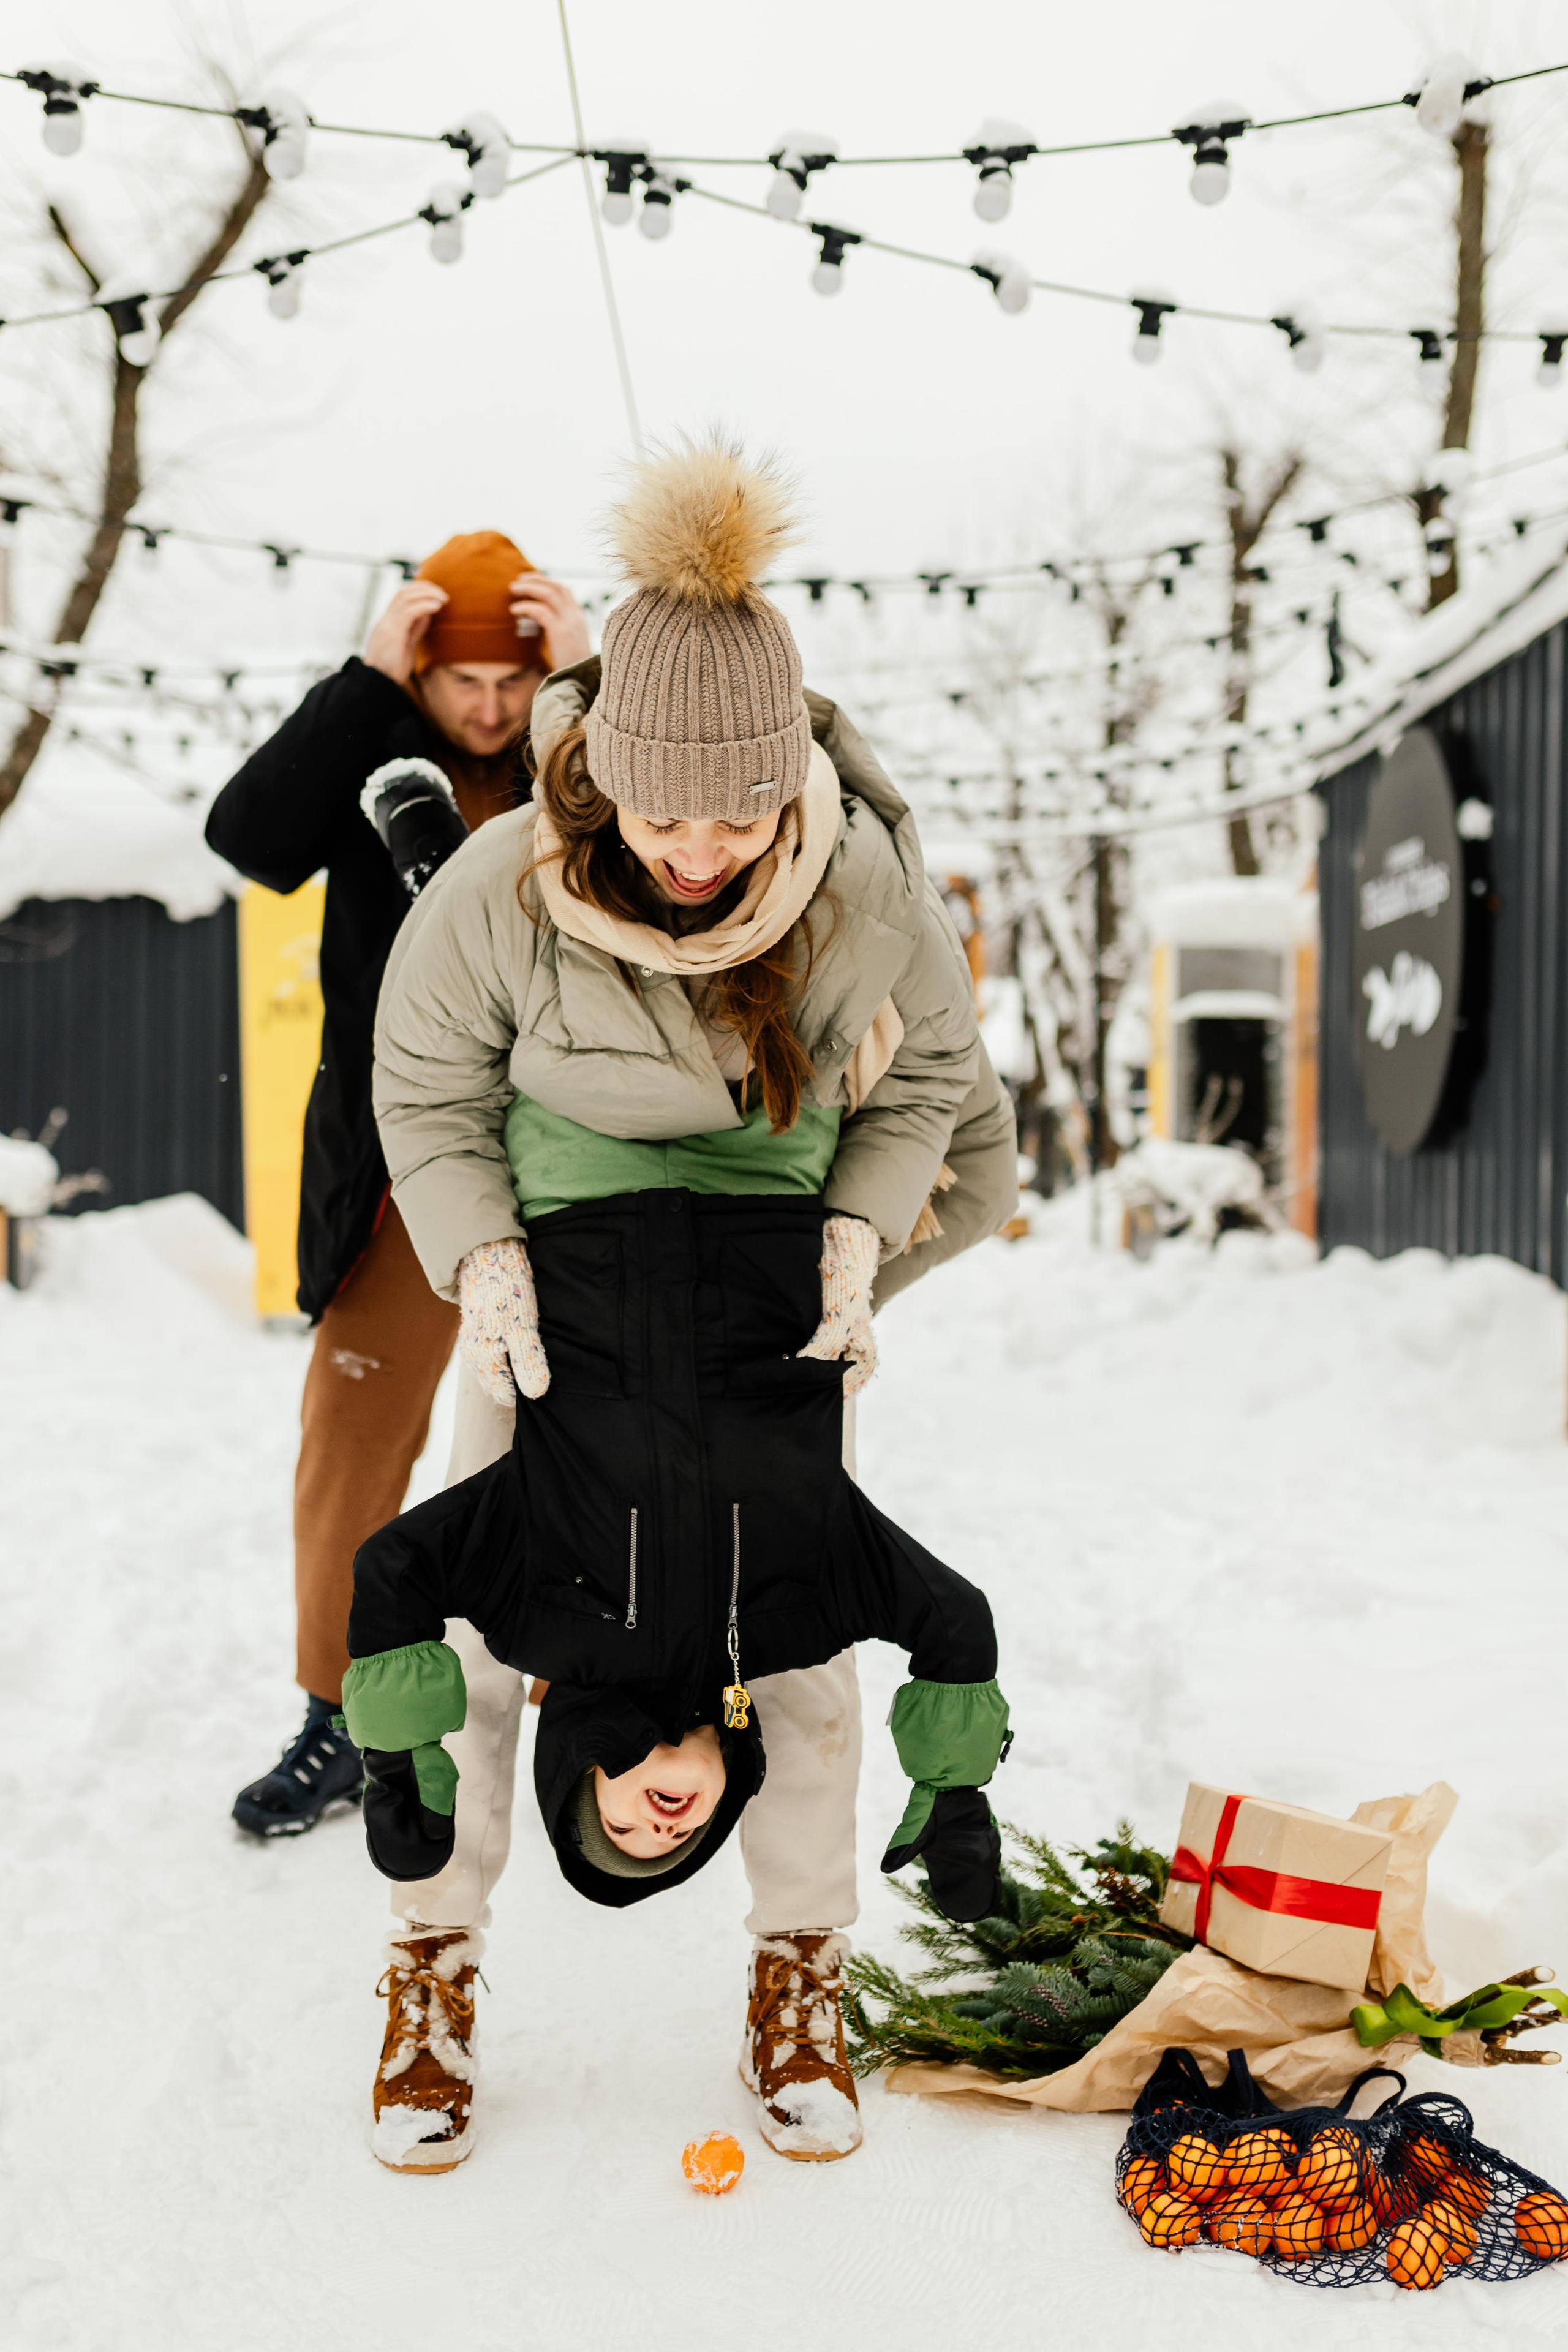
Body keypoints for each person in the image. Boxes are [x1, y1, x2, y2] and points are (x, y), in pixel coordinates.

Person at [367, 437, 1019, 2171]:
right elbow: (425, 1095)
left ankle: (799, 1968)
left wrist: (858, 1244)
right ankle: (430, 1969)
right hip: (546, 1300)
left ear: (791, 789)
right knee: (494, 1632)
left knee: (793, 1632)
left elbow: (935, 1094)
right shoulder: (499, 885)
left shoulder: (865, 886)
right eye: (664, 813)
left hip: (768, 1296)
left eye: (741, 814)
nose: (703, 849)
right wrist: (482, 1260)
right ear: (600, 783)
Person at [203, 534, 591, 1836]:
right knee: (352, 1445)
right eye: (458, 682)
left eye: (510, 681)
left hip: (573, 1162)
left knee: (581, 1431)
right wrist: (367, 683)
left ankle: (583, 1697)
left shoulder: (575, 767)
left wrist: (588, 678)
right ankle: (336, 1714)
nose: (486, 709)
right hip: (395, 1174)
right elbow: (248, 838)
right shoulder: (374, 756)